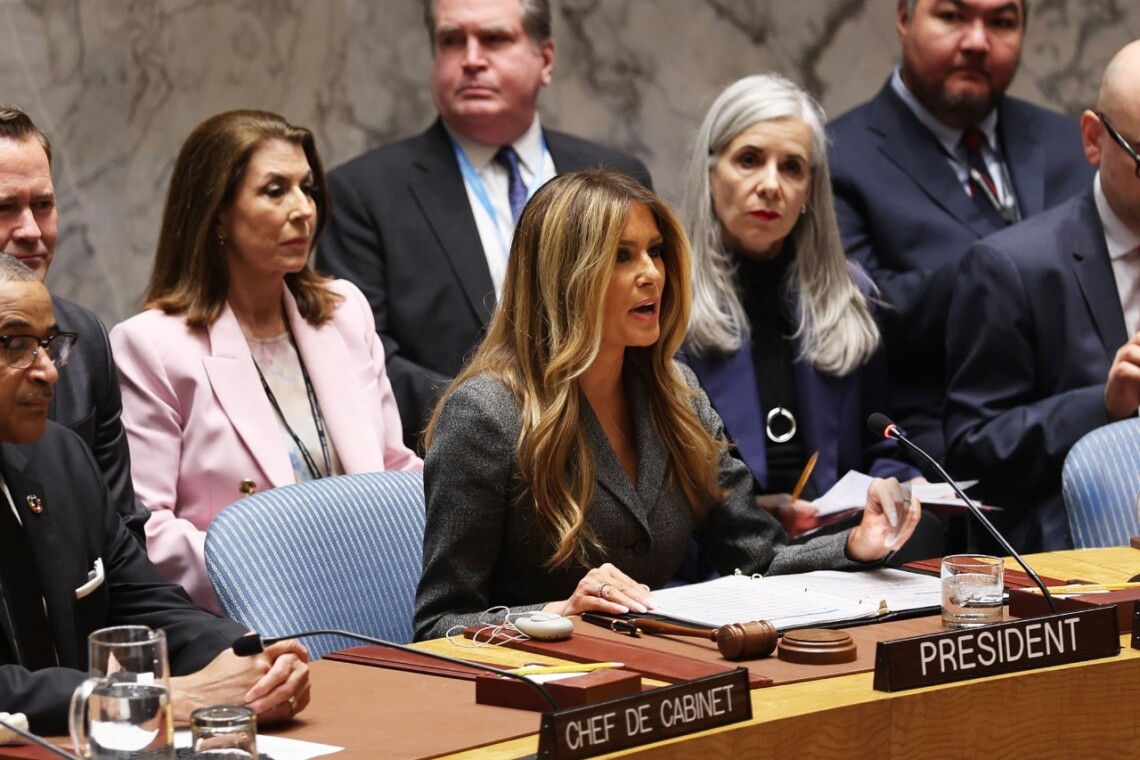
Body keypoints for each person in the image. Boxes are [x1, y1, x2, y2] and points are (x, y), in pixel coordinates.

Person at [413, 170, 922, 641]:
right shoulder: (485, 415)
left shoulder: (677, 394)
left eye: (655, 252)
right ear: (563, 277)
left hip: (656, 667)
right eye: (622, 256)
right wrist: (555, 612)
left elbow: (759, 557)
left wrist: (856, 543)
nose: (652, 274)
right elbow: (439, 623)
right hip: (538, 684)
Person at [111, 110, 423, 612]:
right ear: (216, 213)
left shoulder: (344, 313)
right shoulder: (152, 345)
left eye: (308, 189)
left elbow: (394, 467)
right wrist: (280, 575)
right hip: (251, 618)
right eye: (275, 191)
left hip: (381, 599)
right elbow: (149, 529)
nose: (302, 210)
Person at [315, 0, 652, 452]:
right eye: (452, 41)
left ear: (545, 58)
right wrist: (497, 418)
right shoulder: (364, 193)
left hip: (614, 447)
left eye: (494, 39)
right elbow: (361, 356)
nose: (471, 60)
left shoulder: (619, 176)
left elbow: (653, 322)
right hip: (458, 460)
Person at [0, 254, 309, 735]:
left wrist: (248, 662)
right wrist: (155, 699)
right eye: (17, 345)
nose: (49, 372)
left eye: (49, 345)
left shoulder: (60, 458)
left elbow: (147, 603)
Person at [827, 0, 1093, 463]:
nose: (976, 41)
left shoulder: (1073, 142)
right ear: (904, 19)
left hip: (1093, 420)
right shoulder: (835, 156)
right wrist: (1007, 271)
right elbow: (858, 314)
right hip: (935, 442)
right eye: (952, 17)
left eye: (1001, 22)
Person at [681, 73, 920, 536]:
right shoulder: (664, 300)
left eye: (792, 167)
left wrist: (898, 486)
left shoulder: (850, 293)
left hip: (839, 550)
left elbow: (879, 447)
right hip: (720, 558)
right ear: (710, 173)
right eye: (749, 160)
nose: (771, 185)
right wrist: (749, 512)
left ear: (810, 189)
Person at [944, 40, 1140, 552]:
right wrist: (1103, 405)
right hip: (1077, 558)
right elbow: (971, 455)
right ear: (1094, 139)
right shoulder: (1011, 267)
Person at [0, 104, 148, 546]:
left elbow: (124, 527)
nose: (31, 230)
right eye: (5, 207)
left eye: (43, 205)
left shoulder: (85, 338)